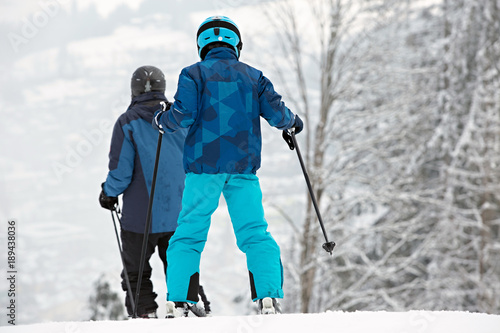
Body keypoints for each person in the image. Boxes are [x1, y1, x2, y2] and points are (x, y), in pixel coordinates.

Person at [153, 16, 303, 317]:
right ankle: (267, 297)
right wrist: (293, 123)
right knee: (254, 232)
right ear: (236, 44)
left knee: (189, 233)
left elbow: (181, 116)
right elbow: (277, 114)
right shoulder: (254, 76)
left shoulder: (192, 74)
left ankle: (181, 299)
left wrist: (162, 120)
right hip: (243, 169)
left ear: (201, 45)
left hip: (202, 169)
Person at [99, 65, 187, 318]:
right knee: (180, 267)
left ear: (133, 90)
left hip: (140, 219)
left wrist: (108, 193)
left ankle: (145, 314)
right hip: (179, 213)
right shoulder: (181, 119)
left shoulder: (127, 123)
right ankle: (187, 309)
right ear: (163, 88)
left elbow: (121, 172)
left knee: (136, 273)